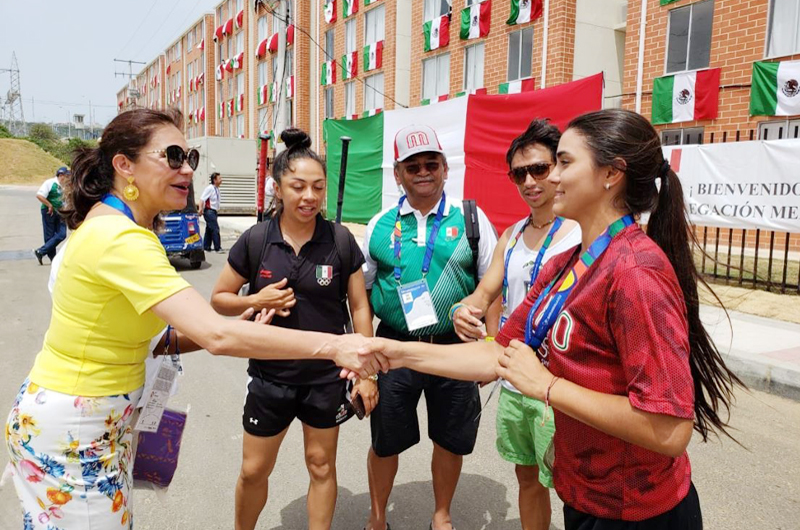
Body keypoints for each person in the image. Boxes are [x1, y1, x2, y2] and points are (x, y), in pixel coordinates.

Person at [4, 109, 384, 530]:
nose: (186, 169)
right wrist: (335, 345)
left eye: (190, 157)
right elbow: (217, 330)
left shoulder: (120, 229)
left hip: (92, 423)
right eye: (172, 156)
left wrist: (242, 329)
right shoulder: (121, 239)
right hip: (77, 428)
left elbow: (161, 337)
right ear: (124, 165)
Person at [372, 109, 743, 529]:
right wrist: (391, 351)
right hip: (585, 494)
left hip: (637, 509)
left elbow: (670, 430)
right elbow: (498, 355)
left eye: (562, 163)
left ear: (610, 174)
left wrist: (547, 386)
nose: (550, 179)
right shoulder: (569, 264)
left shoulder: (636, 274)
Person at [209, 128, 378, 530]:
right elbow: (219, 299)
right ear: (278, 187)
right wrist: (255, 300)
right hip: (271, 377)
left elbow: (359, 306)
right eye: (298, 186)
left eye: (318, 187)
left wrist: (366, 370)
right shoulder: (255, 241)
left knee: (321, 466)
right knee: (253, 471)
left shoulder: (339, 239)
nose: (309, 197)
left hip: (325, 378)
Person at [361, 124, 498, 530]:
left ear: (444, 169)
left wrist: (489, 345)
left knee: (450, 439)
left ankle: (441, 515)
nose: (423, 172)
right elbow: (362, 294)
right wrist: (367, 355)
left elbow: (492, 286)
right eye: (413, 165)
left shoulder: (471, 218)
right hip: (394, 348)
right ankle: (377, 517)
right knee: (385, 442)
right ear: (398, 174)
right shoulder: (379, 225)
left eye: (431, 163)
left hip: (456, 348)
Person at [450, 119, 580, 530]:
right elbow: (484, 293)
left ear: (559, 168)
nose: (529, 181)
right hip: (513, 379)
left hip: (559, 384)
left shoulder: (581, 232)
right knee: (527, 477)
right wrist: (463, 310)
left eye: (538, 169)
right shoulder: (512, 235)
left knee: (573, 485)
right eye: (519, 173)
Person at [33, 167, 69, 264]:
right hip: (49, 211)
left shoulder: (65, 186)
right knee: (49, 235)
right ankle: (52, 258)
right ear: (61, 175)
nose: (68, 178)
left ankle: (41, 251)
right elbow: (39, 195)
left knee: (62, 234)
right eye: (66, 176)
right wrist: (49, 205)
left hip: (61, 212)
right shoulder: (50, 183)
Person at [199, 171, 223, 252]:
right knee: (215, 229)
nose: (221, 180)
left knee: (209, 229)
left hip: (214, 211)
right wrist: (200, 209)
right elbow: (202, 199)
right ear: (214, 180)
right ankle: (217, 247)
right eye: (219, 178)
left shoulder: (217, 189)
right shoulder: (209, 188)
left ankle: (206, 246)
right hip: (209, 212)